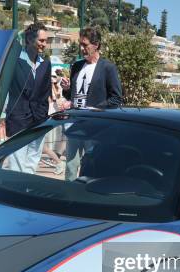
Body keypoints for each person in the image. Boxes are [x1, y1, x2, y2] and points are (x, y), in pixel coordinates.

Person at [61, 26, 123, 180]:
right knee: (70, 167)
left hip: (95, 127)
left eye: (85, 45)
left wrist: (94, 109)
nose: (82, 48)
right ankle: (67, 197)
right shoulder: (76, 66)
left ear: (96, 45)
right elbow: (72, 96)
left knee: (91, 166)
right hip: (74, 124)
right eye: (80, 44)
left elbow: (116, 99)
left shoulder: (108, 68)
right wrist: (67, 89)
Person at [4, 23, 52, 174]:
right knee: (16, 164)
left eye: (46, 41)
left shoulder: (45, 64)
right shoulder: (14, 60)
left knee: (32, 163)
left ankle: (25, 192)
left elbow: (45, 93)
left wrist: (43, 115)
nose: (44, 44)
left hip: (38, 120)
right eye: (42, 40)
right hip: (18, 120)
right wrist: (5, 115)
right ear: (30, 39)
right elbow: (4, 89)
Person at [41, 73, 65, 175]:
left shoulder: (58, 88)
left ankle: (58, 161)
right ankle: (57, 160)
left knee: (41, 145)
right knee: (41, 144)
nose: (52, 78)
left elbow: (57, 100)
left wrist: (52, 86)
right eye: (51, 76)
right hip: (45, 117)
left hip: (52, 118)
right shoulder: (45, 87)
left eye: (54, 77)